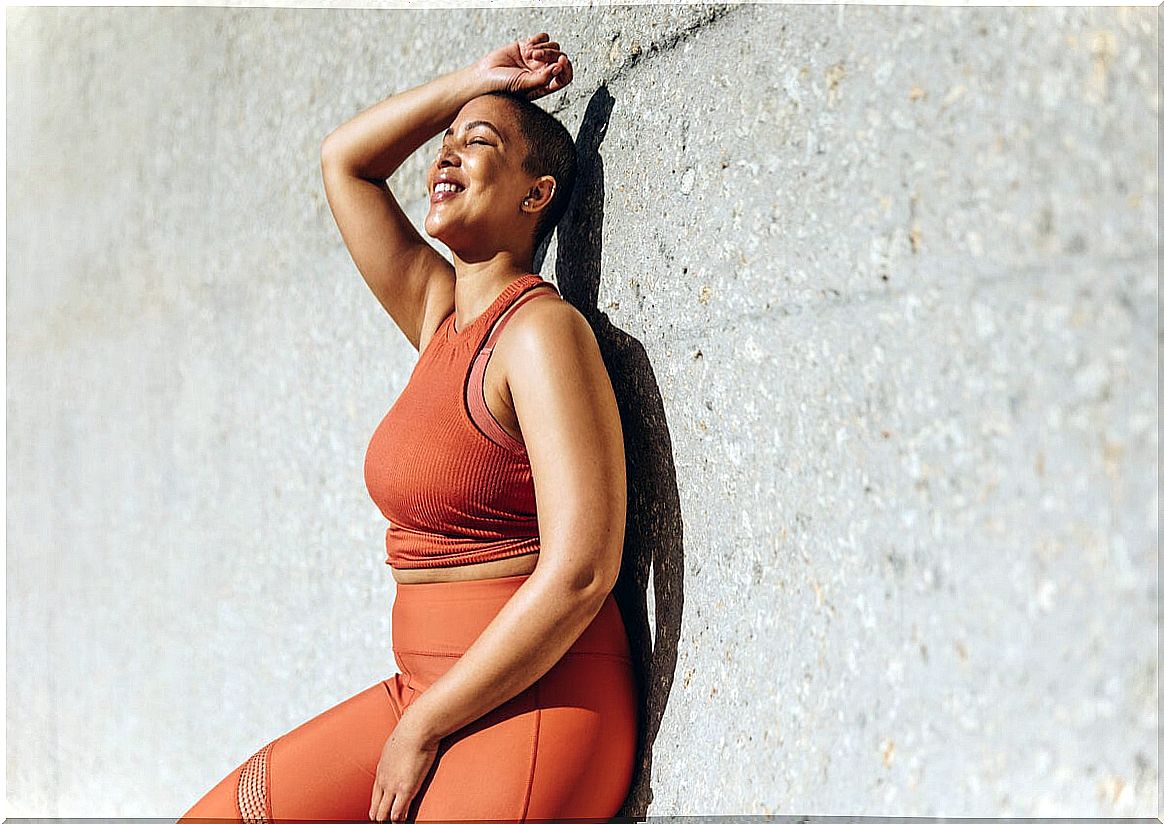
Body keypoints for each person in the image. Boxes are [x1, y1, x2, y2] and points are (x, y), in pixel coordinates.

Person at [179, 32, 638, 824]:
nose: (446, 156)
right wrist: (475, 83)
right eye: (445, 142)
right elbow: (344, 161)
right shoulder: (438, 318)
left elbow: (582, 572)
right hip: (423, 686)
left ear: (537, 195)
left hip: (541, 697)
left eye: (480, 142)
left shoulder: (538, 333)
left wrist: (424, 725)